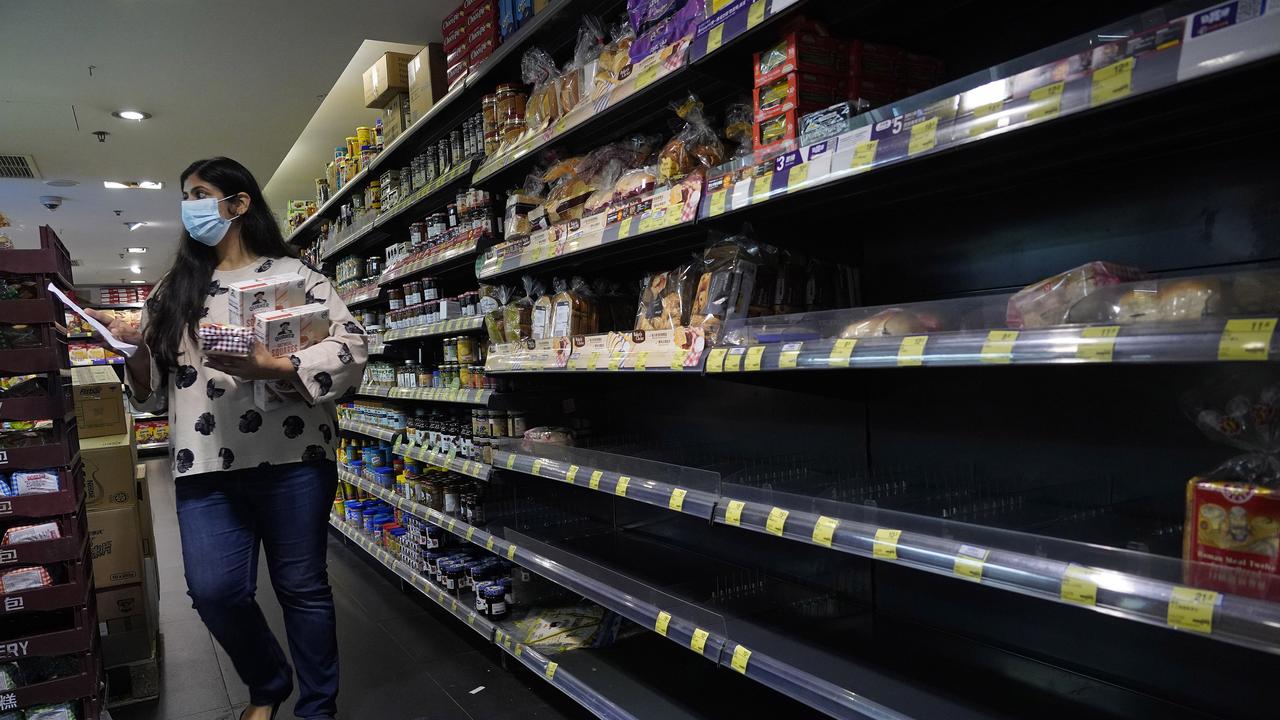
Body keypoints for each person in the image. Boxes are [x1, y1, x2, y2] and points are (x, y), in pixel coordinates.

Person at [88, 157, 367, 720]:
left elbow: (353, 346)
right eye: (185, 196)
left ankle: (317, 709)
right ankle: (268, 680)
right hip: (204, 462)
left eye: (201, 192)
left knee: (303, 588)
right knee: (213, 590)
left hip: (295, 459)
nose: (190, 206)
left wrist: (280, 368)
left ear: (239, 204)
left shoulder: (299, 276)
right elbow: (149, 397)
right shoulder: (173, 292)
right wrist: (135, 352)